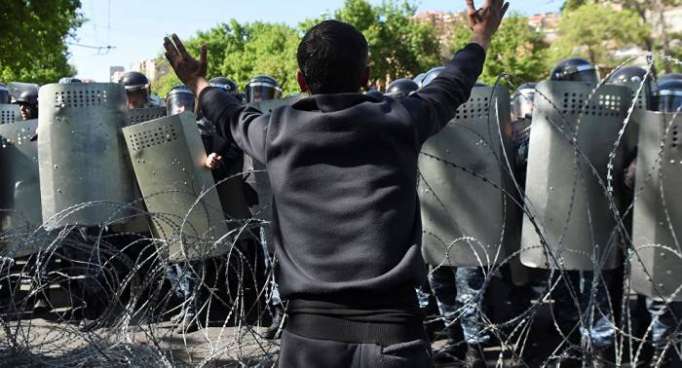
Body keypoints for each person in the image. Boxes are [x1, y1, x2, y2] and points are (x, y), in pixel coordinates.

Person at [163, 0, 507, 366]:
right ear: (366, 76)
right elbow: (452, 84)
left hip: (309, 344)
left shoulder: (275, 132)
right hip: (395, 341)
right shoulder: (401, 120)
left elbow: (228, 114)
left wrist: (196, 81)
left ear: (301, 80)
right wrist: (481, 34)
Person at [624, 75, 682, 368]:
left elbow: (630, 178)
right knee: (661, 307)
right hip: (657, 240)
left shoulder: (647, 147)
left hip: (659, 243)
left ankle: (659, 354)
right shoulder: (646, 148)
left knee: (660, 306)